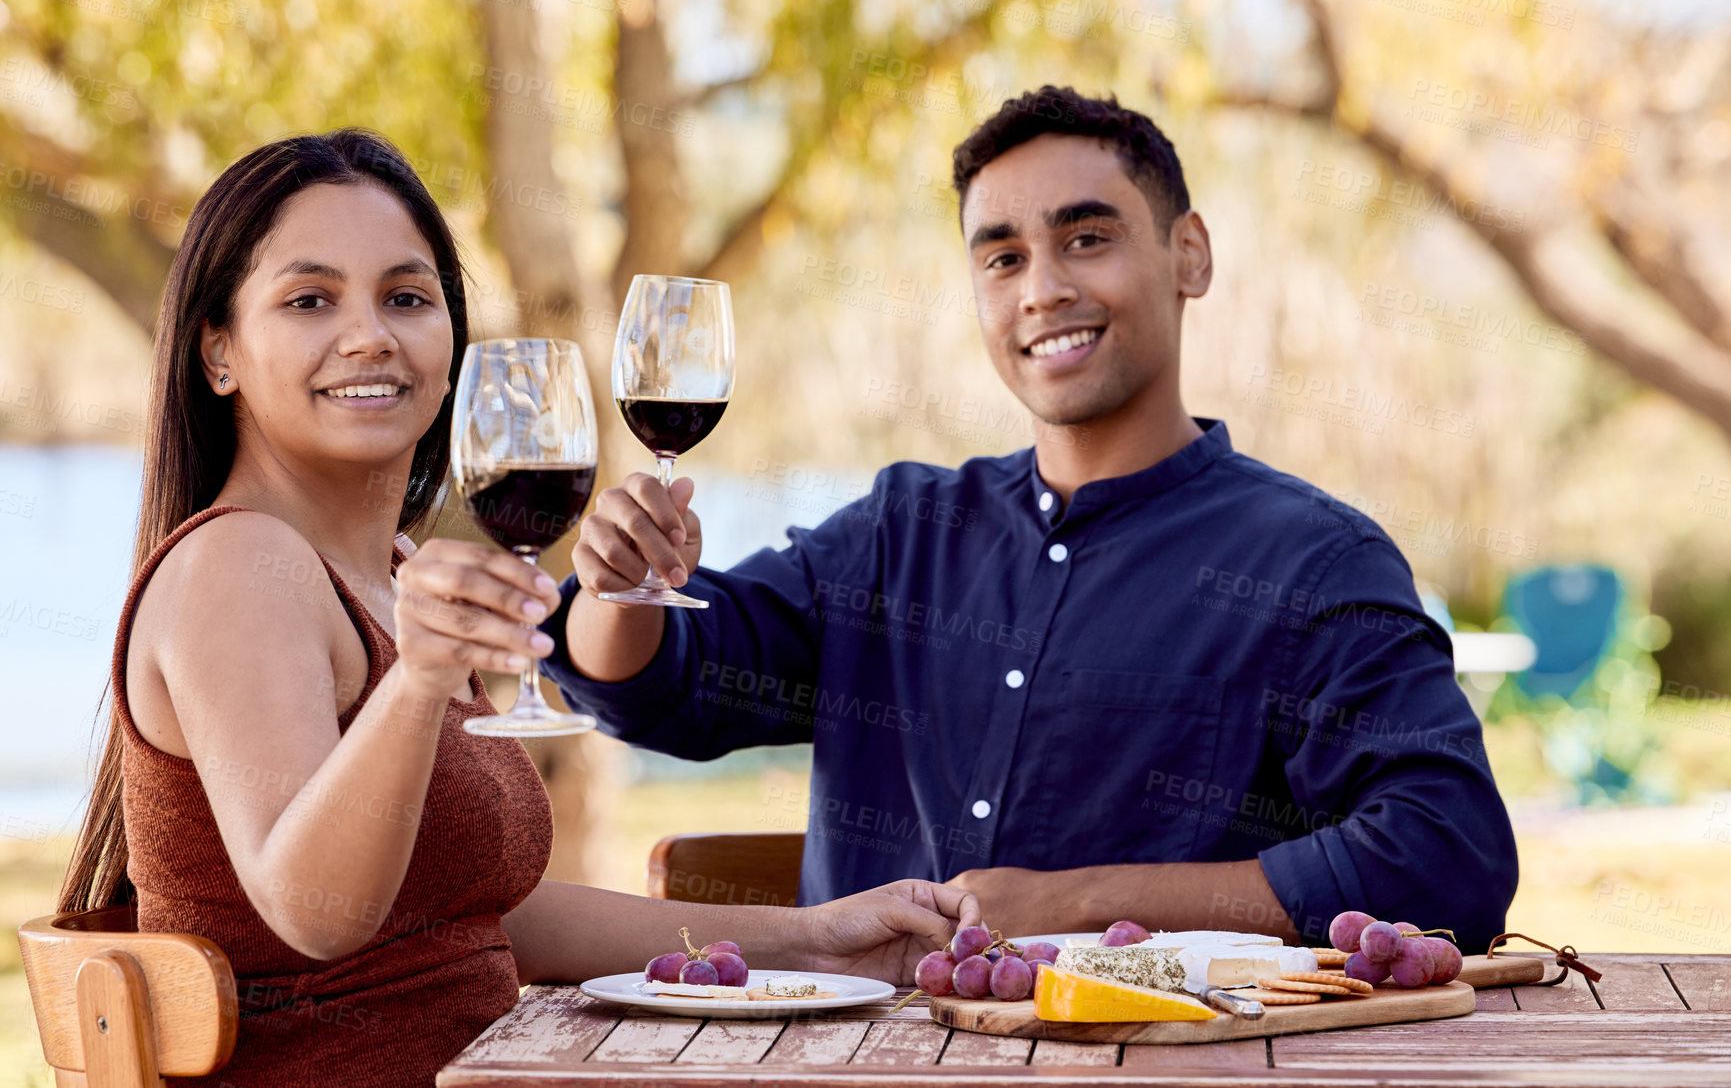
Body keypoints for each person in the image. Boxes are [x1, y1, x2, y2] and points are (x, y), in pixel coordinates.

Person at [58, 129, 979, 1088]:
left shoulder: (390, 573)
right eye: (309, 299)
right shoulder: (238, 567)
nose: (370, 333)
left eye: (406, 297)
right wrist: (417, 680)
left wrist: (813, 941)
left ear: (450, 347)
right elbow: (317, 911)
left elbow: (487, 919)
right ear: (219, 354)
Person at [539, 87, 1519, 949]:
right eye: (1002, 257)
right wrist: (625, 582)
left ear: (1190, 254)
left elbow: (1448, 852)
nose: (1043, 288)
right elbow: (659, 684)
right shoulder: (901, 531)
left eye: (1085, 238)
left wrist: (1082, 901)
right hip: (872, 1071)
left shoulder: (1314, 564)